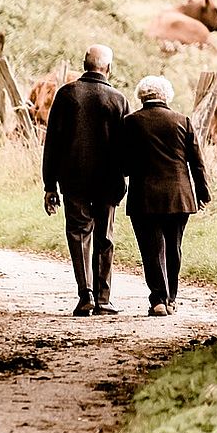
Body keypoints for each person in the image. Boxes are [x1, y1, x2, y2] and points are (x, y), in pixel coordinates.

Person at [42, 44, 130, 317]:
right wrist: (125, 176)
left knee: (79, 234)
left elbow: (52, 143)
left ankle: (86, 295)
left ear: (84, 64)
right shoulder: (118, 99)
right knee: (105, 236)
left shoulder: (67, 95)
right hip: (108, 180)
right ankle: (104, 299)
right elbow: (126, 147)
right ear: (108, 68)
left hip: (73, 179)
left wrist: (49, 185)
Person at [122, 75, 211, 317]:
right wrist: (202, 192)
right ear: (166, 96)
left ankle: (158, 300)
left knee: (151, 249)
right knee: (174, 247)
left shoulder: (131, 122)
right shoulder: (182, 121)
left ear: (141, 96)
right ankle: (171, 297)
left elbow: (124, 164)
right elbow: (197, 162)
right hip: (179, 195)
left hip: (144, 197)